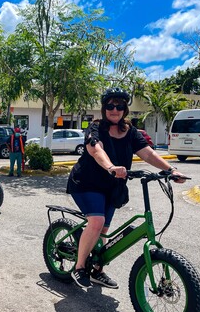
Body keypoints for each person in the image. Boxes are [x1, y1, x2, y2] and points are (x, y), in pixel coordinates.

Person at [66, 87, 187, 289]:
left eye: (120, 106)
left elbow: (147, 154)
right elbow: (96, 150)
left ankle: (97, 269)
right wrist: (111, 167)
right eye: (111, 106)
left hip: (111, 187)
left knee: (103, 230)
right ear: (104, 108)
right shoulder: (95, 128)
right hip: (86, 183)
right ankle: (79, 267)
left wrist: (171, 170)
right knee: (97, 222)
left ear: (125, 109)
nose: (115, 110)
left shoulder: (130, 132)